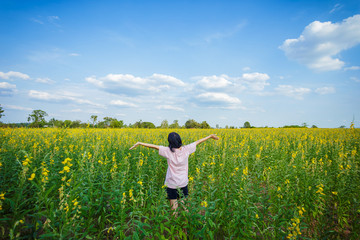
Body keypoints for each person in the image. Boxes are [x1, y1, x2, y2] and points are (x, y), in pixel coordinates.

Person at [129, 132, 219, 214]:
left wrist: (140, 143)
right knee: (185, 207)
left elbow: (154, 146)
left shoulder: (167, 151)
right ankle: (185, 228)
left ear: (170, 142)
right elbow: (198, 141)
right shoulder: (186, 149)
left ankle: (175, 230)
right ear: (180, 140)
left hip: (171, 184)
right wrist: (210, 136)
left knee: (174, 209)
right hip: (183, 183)